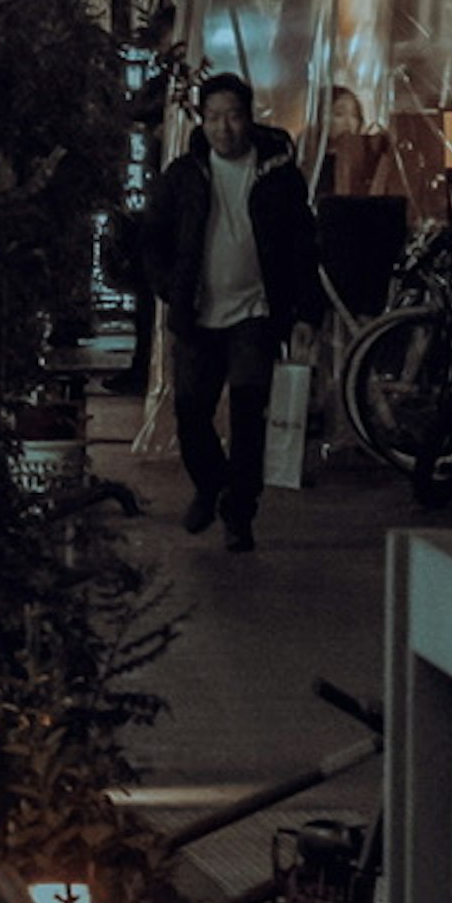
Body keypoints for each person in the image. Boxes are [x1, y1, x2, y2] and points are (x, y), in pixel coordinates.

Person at [137, 70, 325, 550]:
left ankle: (240, 514)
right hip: (197, 314)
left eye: (234, 116)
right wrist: (169, 288)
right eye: (215, 118)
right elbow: (152, 238)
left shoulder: (278, 174)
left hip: (255, 314)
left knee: (247, 416)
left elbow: (304, 246)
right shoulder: (183, 176)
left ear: (250, 117)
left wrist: (306, 313)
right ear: (202, 121)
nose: (225, 128)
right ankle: (210, 483)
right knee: (191, 414)